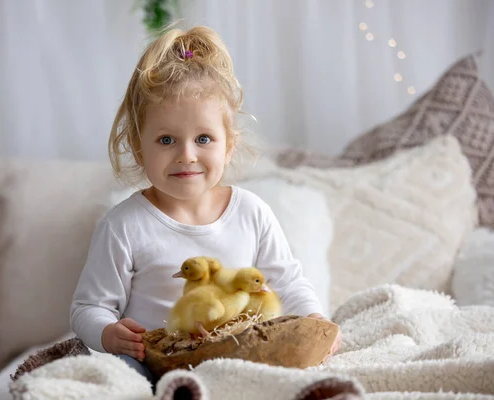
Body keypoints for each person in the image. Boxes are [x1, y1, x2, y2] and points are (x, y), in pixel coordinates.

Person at [70, 24, 341, 386]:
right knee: (120, 380)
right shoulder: (124, 225)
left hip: (239, 358)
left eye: (203, 138)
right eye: (166, 139)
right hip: (154, 366)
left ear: (228, 145)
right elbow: (88, 308)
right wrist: (107, 333)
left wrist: (314, 319)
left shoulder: (251, 213)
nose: (187, 155)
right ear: (138, 147)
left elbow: (287, 283)